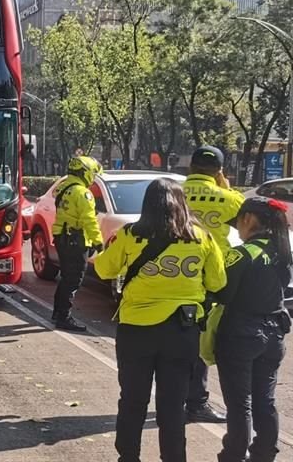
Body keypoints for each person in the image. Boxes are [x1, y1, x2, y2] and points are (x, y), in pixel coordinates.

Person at [93, 178, 226, 462]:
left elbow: (104, 270)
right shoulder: (202, 237)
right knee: (173, 405)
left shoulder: (130, 235)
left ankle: (128, 457)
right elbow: (218, 281)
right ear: (181, 204)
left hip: (136, 331)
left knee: (132, 400)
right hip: (181, 331)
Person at [214, 196, 292, 462]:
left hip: (241, 335)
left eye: (238, 223)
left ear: (247, 219)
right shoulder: (282, 253)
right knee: (265, 400)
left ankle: (233, 455)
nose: (238, 230)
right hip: (274, 334)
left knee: (239, 404)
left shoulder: (241, 254)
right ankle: (263, 454)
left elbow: (223, 294)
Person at [183, 144, 244, 424]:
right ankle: (196, 403)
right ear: (219, 172)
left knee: (171, 337)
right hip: (208, 278)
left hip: (173, 274)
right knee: (200, 340)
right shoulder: (229, 198)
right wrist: (226, 188)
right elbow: (247, 225)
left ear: (191, 167)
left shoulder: (175, 193)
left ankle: (172, 396)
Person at [50, 155, 104, 332]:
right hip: (75, 239)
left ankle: (58, 313)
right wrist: (98, 241)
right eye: (93, 174)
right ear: (86, 172)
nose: (93, 178)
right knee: (73, 279)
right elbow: (89, 220)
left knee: (66, 277)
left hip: (62, 237)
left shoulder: (64, 188)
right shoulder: (83, 193)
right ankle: (64, 317)